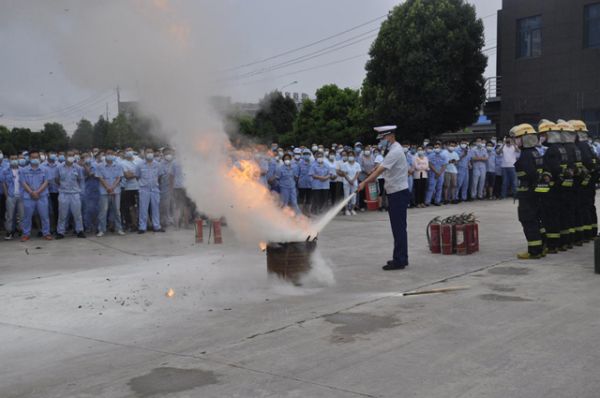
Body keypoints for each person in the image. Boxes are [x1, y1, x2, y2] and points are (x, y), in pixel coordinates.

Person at [359, 125, 410, 270]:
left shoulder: (395, 151)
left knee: (398, 228)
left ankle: (399, 260)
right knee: (399, 228)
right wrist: (376, 168)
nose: (380, 141)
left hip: (398, 193)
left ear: (389, 136)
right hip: (396, 192)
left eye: (382, 138)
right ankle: (402, 257)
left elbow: (378, 172)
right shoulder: (393, 149)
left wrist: (363, 183)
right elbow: (382, 166)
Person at [511, 124, 545, 259]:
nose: (515, 141)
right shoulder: (536, 152)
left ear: (524, 138)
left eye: (517, 138)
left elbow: (530, 174)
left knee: (528, 219)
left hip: (528, 192)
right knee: (537, 219)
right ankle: (542, 247)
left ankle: (534, 251)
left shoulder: (525, 154)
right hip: (537, 191)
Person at [539, 120, 567, 252]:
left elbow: (554, 169)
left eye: (543, 134)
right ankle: (559, 243)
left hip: (552, 188)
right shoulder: (561, 147)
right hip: (560, 187)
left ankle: (552, 245)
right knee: (558, 215)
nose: (541, 137)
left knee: (550, 216)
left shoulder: (552, 150)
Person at [571, 120, 598, 240]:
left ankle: (586, 234)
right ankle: (592, 231)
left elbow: (586, 163)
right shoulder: (588, 145)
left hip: (582, 183)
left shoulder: (579, 146)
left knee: (583, 207)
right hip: (590, 182)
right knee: (589, 206)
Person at [19, 151, 52, 241]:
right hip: (28, 197)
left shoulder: (45, 169)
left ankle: (46, 233)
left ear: (39, 158)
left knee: (44, 216)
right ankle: (26, 234)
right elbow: (23, 183)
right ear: (29, 159)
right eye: (33, 157)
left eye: (36, 157)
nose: (35, 159)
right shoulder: (23, 170)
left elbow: (46, 182)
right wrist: (31, 192)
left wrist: (38, 192)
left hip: (42, 196)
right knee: (27, 217)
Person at [56, 152, 86, 239]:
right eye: (69, 155)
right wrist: (62, 187)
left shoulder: (78, 168)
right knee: (62, 214)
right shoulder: (59, 167)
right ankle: (60, 232)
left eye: (72, 156)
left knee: (77, 214)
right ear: (65, 156)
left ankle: (79, 230)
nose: (71, 157)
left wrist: (80, 192)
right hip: (63, 193)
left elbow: (81, 180)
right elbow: (57, 180)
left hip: (75, 193)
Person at [96, 150, 125, 237]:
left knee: (117, 211)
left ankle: (119, 229)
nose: (110, 156)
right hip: (104, 191)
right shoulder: (100, 166)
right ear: (105, 155)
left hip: (115, 191)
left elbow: (118, 178)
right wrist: (108, 187)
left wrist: (112, 187)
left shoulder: (118, 165)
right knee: (103, 211)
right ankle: (101, 230)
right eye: (108, 154)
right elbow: (100, 178)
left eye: (111, 154)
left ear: (114, 156)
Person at [136, 148, 165, 233]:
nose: (150, 154)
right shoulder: (140, 165)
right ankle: (142, 227)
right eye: (148, 152)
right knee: (143, 208)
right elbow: (137, 176)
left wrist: (155, 184)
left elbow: (159, 176)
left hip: (155, 189)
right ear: (144, 154)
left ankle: (157, 226)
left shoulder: (157, 164)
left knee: (155, 208)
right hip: (144, 189)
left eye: (151, 152)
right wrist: (143, 184)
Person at [3, 155, 24, 240]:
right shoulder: (5, 171)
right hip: (11, 196)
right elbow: (3, 184)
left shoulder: (22, 170)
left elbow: (25, 182)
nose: (14, 160)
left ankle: (21, 230)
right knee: (9, 216)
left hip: (21, 196)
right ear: (9, 160)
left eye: (16, 159)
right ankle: (9, 232)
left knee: (22, 215)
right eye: (12, 159)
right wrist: (7, 195)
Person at [121, 149, 140, 232]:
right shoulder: (122, 163)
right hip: (127, 188)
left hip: (138, 187)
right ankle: (131, 224)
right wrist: (136, 173)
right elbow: (127, 176)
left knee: (139, 207)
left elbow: (141, 173)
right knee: (128, 207)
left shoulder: (138, 160)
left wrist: (133, 173)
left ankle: (139, 223)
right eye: (127, 150)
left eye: (130, 150)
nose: (129, 152)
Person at [340, 150, 361, 216]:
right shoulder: (344, 164)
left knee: (354, 197)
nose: (350, 157)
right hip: (346, 182)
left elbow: (358, 173)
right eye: (349, 155)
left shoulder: (357, 164)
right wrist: (349, 180)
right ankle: (346, 210)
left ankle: (352, 209)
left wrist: (353, 180)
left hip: (354, 183)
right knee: (346, 196)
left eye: (352, 155)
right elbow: (344, 173)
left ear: (354, 156)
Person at [425, 142, 447, 206]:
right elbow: (430, 164)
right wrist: (436, 172)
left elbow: (444, 165)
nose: (436, 148)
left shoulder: (444, 155)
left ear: (440, 147)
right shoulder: (430, 155)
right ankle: (427, 201)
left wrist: (439, 173)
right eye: (435, 147)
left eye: (437, 147)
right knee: (430, 188)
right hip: (432, 174)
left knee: (439, 188)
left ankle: (437, 201)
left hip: (441, 174)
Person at [297, 149, 313, 214]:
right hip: (302, 184)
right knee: (301, 199)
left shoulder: (313, 163)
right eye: (305, 154)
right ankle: (300, 212)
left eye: (308, 154)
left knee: (309, 199)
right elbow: (297, 175)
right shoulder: (299, 164)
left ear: (310, 155)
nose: (306, 155)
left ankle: (308, 212)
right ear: (302, 155)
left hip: (310, 184)